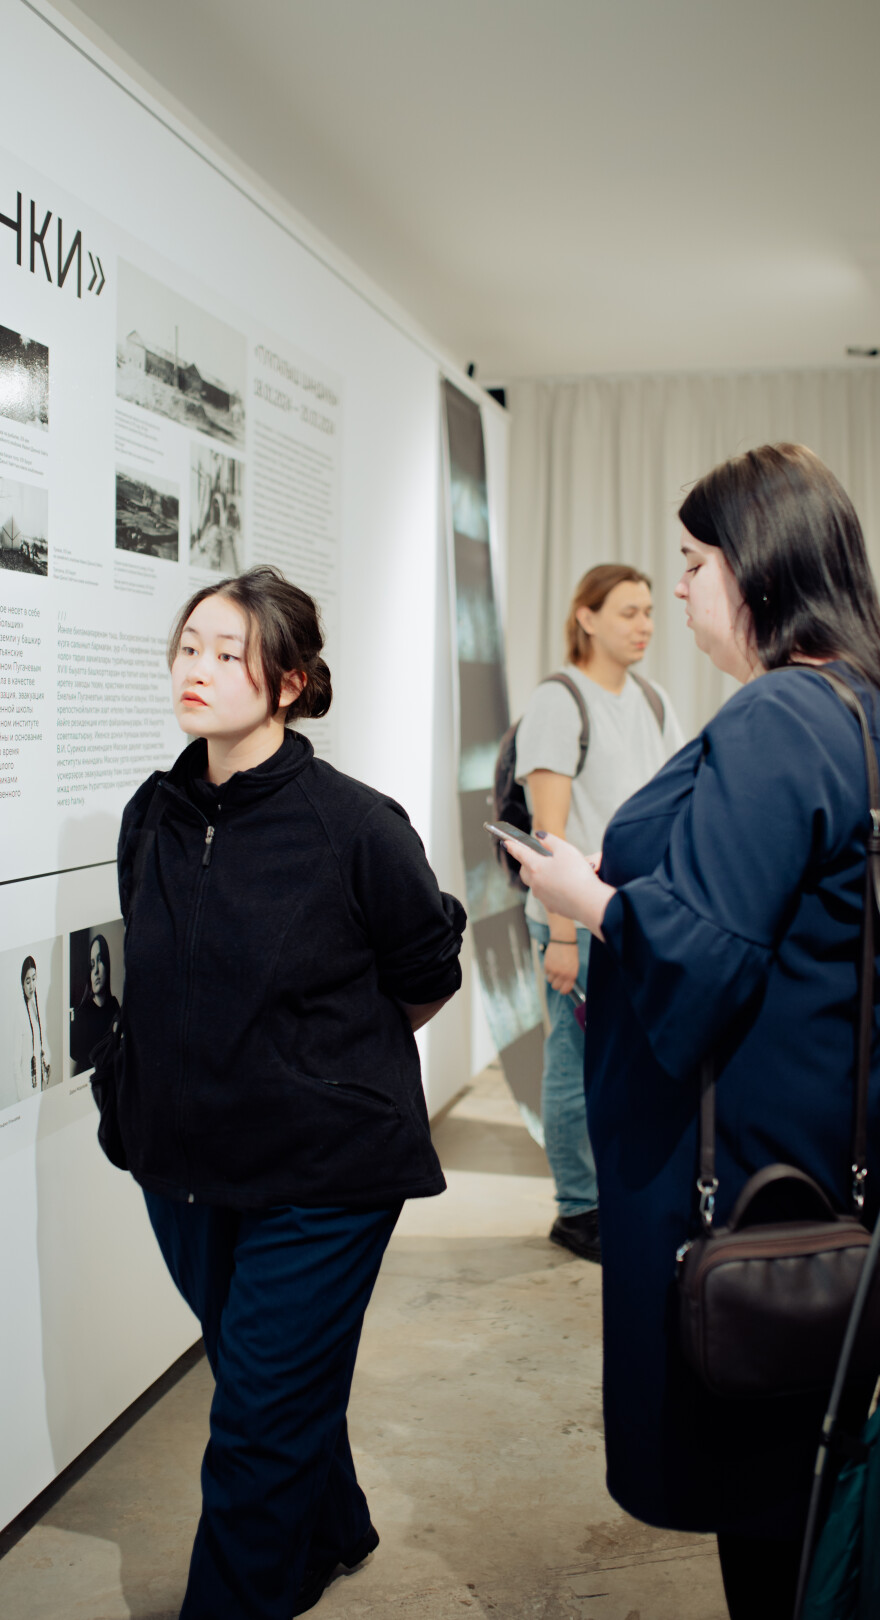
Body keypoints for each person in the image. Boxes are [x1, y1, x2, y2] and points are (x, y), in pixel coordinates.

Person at [506, 444, 880, 1620]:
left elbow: (707, 952)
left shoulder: (781, 715)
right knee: (807, 1462)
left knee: (767, 1478)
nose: (677, 590)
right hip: (824, 1135)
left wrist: (589, 901)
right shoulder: (856, 703)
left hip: (747, 1167)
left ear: (758, 569)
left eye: (692, 561)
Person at [116, 564, 465, 1618]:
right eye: (190, 647)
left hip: (325, 1170)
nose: (200, 669)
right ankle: (334, 1524)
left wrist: (320, 1066)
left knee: (256, 1421)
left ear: (291, 683)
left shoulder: (355, 825)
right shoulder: (155, 812)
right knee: (268, 1375)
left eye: (230, 653)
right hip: (185, 1165)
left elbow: (424, 975)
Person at [512, 564, 684, 1261]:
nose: (645, 625)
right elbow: (545, 835)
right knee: (572, 1062)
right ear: (585, 617)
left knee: (617, 1068)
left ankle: (607, 1195)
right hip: (571, 923)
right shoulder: (560, 701)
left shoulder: (652, 697)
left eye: (649, 612)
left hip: (625, 916)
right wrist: (559, 936)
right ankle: (577, 1208)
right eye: (627, 613)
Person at [70, 933, 120, 1072]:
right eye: (92, 965)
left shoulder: (114, 1006)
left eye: (100, 960)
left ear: (107, 964)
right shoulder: (81, 1015)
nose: (96, 971)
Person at [12, 955, 50, 1100]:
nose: (32, 985)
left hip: (40, 1086)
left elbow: (42, 1045)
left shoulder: (37, 1008)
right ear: (22, 984)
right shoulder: (20, 1011)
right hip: (27, 1091)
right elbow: (15, 1062)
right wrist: (22, 1097)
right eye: (28, 981)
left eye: (34, 979)